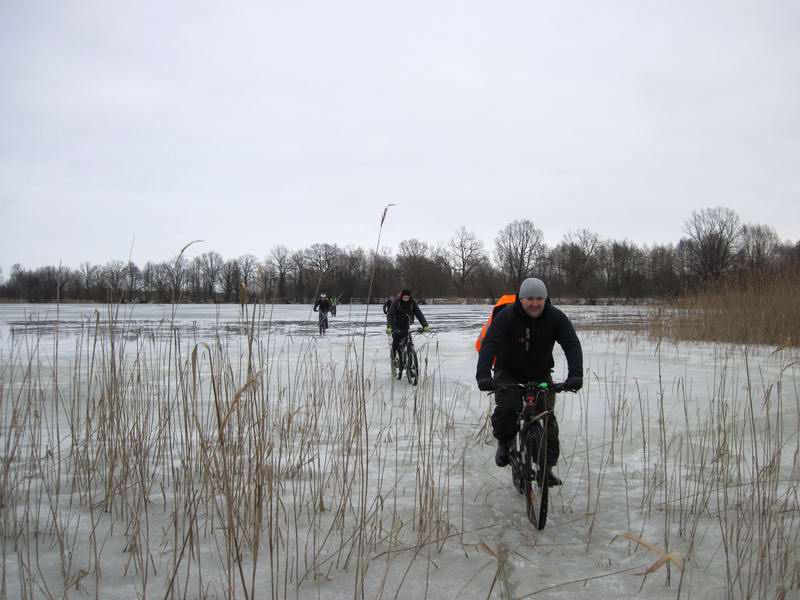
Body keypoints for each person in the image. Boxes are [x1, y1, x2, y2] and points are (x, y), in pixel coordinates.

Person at [475, 277, 583, 486]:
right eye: (530, 299)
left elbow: (571, 344)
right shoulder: (507, 317)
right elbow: (490, 344)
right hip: (508, 372)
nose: (535, 303)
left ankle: (547, 467)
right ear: (521, 299)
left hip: (540, 373)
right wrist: (483, 375)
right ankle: (504, 442)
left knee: (547, 418)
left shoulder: (555, 317)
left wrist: (575, 375)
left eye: (540, 299)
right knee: (508, 408)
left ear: (545, 299)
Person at [386, 289, 430, 360]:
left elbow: (419, 314)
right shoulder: (397, 302)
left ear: (409, 297)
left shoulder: (412, 303)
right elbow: (390, 314)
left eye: (407, 297)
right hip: (396, 323)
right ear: (401, 297)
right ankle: (393, 354)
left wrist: (425, 325)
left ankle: (409, 354)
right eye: (404, 297)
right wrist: (389, 327)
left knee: (408, 338)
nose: (406, 299)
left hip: (406, 323)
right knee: (396, 339)